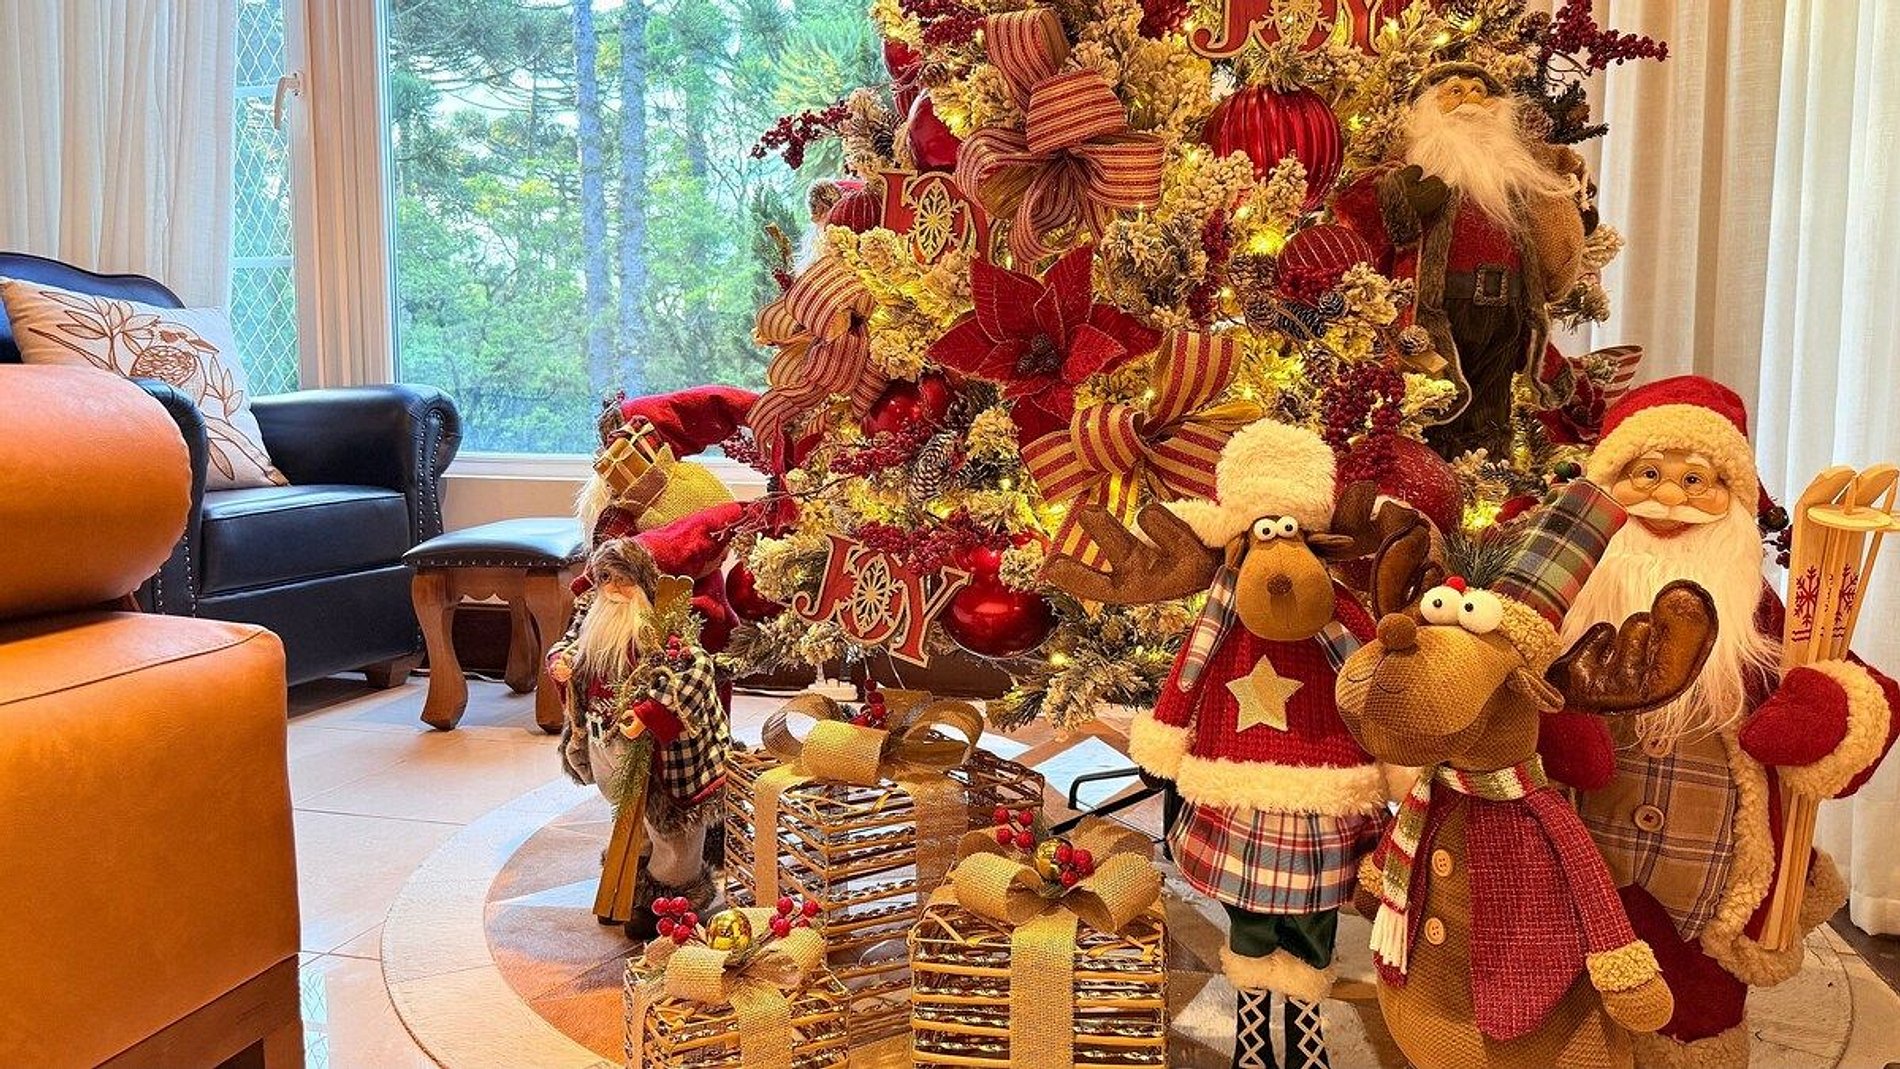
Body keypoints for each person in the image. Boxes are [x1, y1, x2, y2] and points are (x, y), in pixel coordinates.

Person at [1554, 376, 1900, 1067]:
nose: (1669, 497)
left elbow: (1862, 692)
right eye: (1646, 473)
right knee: (1567, 991)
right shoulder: (1568, 595)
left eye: (1696, 480)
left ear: (1735, 500)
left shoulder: (1756, 609)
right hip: (1576, 846)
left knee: (1695, 1011)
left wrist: (1825, 711)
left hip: (1709, 868)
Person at [1333, 63, 1590, 458]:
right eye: (1455, 91)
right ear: (1427, 109)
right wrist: (1397, 198)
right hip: (1437, 310)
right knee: (1435, 399)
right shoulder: (1413, 168)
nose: (1470, 99)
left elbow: (1550, 234)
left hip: (1507, 311)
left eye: (1479, 92)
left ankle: (1490, 469)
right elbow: (1352, 216)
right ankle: (1429, 470)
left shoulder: (1513, 178)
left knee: (1492, 406)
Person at [549, 538, 731, 937]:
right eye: (605, 578)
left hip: (667, 756)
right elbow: (567, 646)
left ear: (642, 582)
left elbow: (696, 670)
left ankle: (673, 896)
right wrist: (561, 662)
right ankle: (633, 884)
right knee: (631, 817)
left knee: (672, 830)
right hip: (607, 740)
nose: (614, 589)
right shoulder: (592, 618)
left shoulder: (661, 627)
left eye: (623, 580)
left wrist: (650, 713)